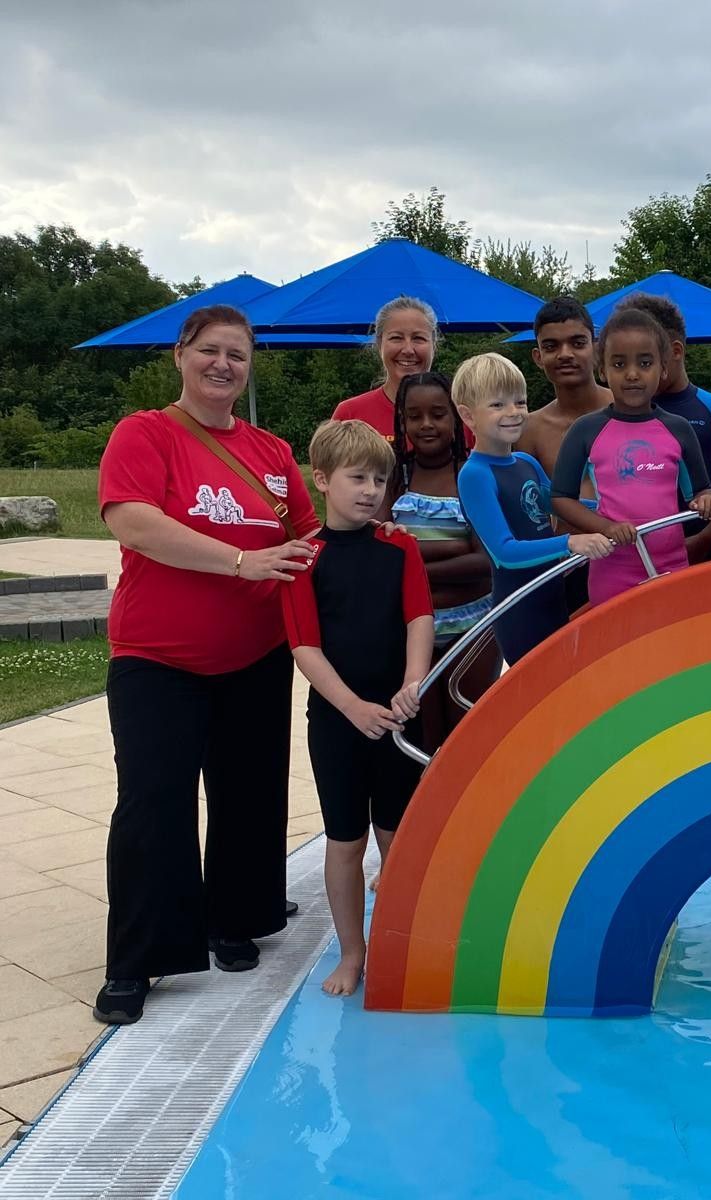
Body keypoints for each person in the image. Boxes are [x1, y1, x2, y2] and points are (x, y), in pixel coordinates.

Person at [94, 304, 318, 1025]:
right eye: (210, 350)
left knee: (249, 792)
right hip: (158, 655)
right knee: (153, 801)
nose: (223, 364)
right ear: (180, 355)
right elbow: (133, 521)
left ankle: (235, 918)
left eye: (237, 355)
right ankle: (138, 958)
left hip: (256, 653)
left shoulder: (272, 452)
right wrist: (241, 561)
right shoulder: (145, 433)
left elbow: (310, 532)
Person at [280, 420, 433, 996]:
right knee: (345, 842)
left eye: (379, 480)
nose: (371, 491)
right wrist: (352, 708)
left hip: (397, 716)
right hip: (338, 722)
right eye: (357, 478)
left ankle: (401, 943)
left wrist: (413, 681)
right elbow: (305, 647)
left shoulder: (399, 546)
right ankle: (352, 952)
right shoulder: (305, 558)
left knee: (399, 838)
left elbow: (419, 616)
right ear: (322, 480)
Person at [550, 309, 711, 605]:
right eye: (619, 364)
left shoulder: (678, 429)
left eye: (645, 363)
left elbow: (701, 491)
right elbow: (560, 499)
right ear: (602, 370)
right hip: (612, 570)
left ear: (663, 368)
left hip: (671, 567)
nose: (632, 374)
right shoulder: (586, 430)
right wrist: (605, 527)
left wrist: (708, 499)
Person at [455, 353, 613, 665]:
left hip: (552, 595)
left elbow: (561, 504)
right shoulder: (475, 475)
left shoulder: (525, 463)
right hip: (520, 610)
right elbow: (505, 552)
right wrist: (569, 543)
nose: (513, 412)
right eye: (497, 405)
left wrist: (612, 507)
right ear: (468, 416)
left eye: (520, 402)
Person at [388, 371, 498, 750]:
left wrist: (412, 559)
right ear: (401, 420)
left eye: (438, 414)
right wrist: (455, 549)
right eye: (414, 416)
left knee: (470, 734)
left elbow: (484, 564)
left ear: (457, 417)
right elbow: (383, 554)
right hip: (414, 629)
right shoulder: (395, 477)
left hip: (473, 626)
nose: (426, 424)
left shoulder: (472, 475)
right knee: (427, 740)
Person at [613, 292, 711, 563]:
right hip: (637, 555)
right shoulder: (619, 413)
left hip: (701, 554)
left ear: (675, 351)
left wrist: (705, 538)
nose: (636, 371)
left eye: (646, 359)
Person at [515, 295, 612, 476]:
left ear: (596, 349)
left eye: (578, 344)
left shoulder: (629, 410)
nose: (565, 354)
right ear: (538, 357)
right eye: (551, 347)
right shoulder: (529, 431)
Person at [333, 296, 439, 445]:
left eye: (418, 338)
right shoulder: (350, 414)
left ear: (433, 344)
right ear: (379, 343)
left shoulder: (461, 415)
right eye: (396, 338)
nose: (408, 350)